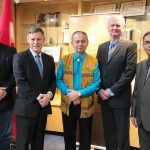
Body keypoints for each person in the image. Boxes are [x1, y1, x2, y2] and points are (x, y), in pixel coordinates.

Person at [96, 14, 137, 150]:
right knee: (109, 133)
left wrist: (111, 91)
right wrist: (100, 90)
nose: (115, 28)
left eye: (118, 25)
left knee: (122, 134)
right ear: (107, 28)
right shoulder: (101, 47)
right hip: (104, 98)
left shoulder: (130, 46)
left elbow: (129, 72)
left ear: (123, 28)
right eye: (112, 25)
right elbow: (97, 71)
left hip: (120, 98)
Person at [13, 26, 56, 150]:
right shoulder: (19, 57)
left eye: (39, 39)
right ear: (28, 39)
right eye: (33, 39)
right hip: (26, 108)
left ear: (43, 40)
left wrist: (49, 95)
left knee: (39, 143)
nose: (36, 42)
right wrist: (39, 96)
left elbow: (52, 80)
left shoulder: (49, 59)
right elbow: (21, 82)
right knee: (23, 144)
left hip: (43, 107)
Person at [56, 31, 100, 150]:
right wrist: (70, 93)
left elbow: (97, 83)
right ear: (72, 43)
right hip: (68, 104)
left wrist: (79, 93)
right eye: (77, 41)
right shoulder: (64, 60)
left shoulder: (94, 61)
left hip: (85, 104)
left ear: (87, 43)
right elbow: (58, 79)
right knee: (68, 135)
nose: (80, 44)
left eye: (83, 41)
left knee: (85, 136)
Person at [131, 31, 150, 150]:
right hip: (142, 119)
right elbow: (136, 91)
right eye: (147, 42)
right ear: (143, 45)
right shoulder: (140, 66)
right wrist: (134, 113)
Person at [0, 41, 16, 150]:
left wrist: (3, 90)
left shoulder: (11, 50)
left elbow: (16, 73)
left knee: (5, 136)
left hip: (6, 100)